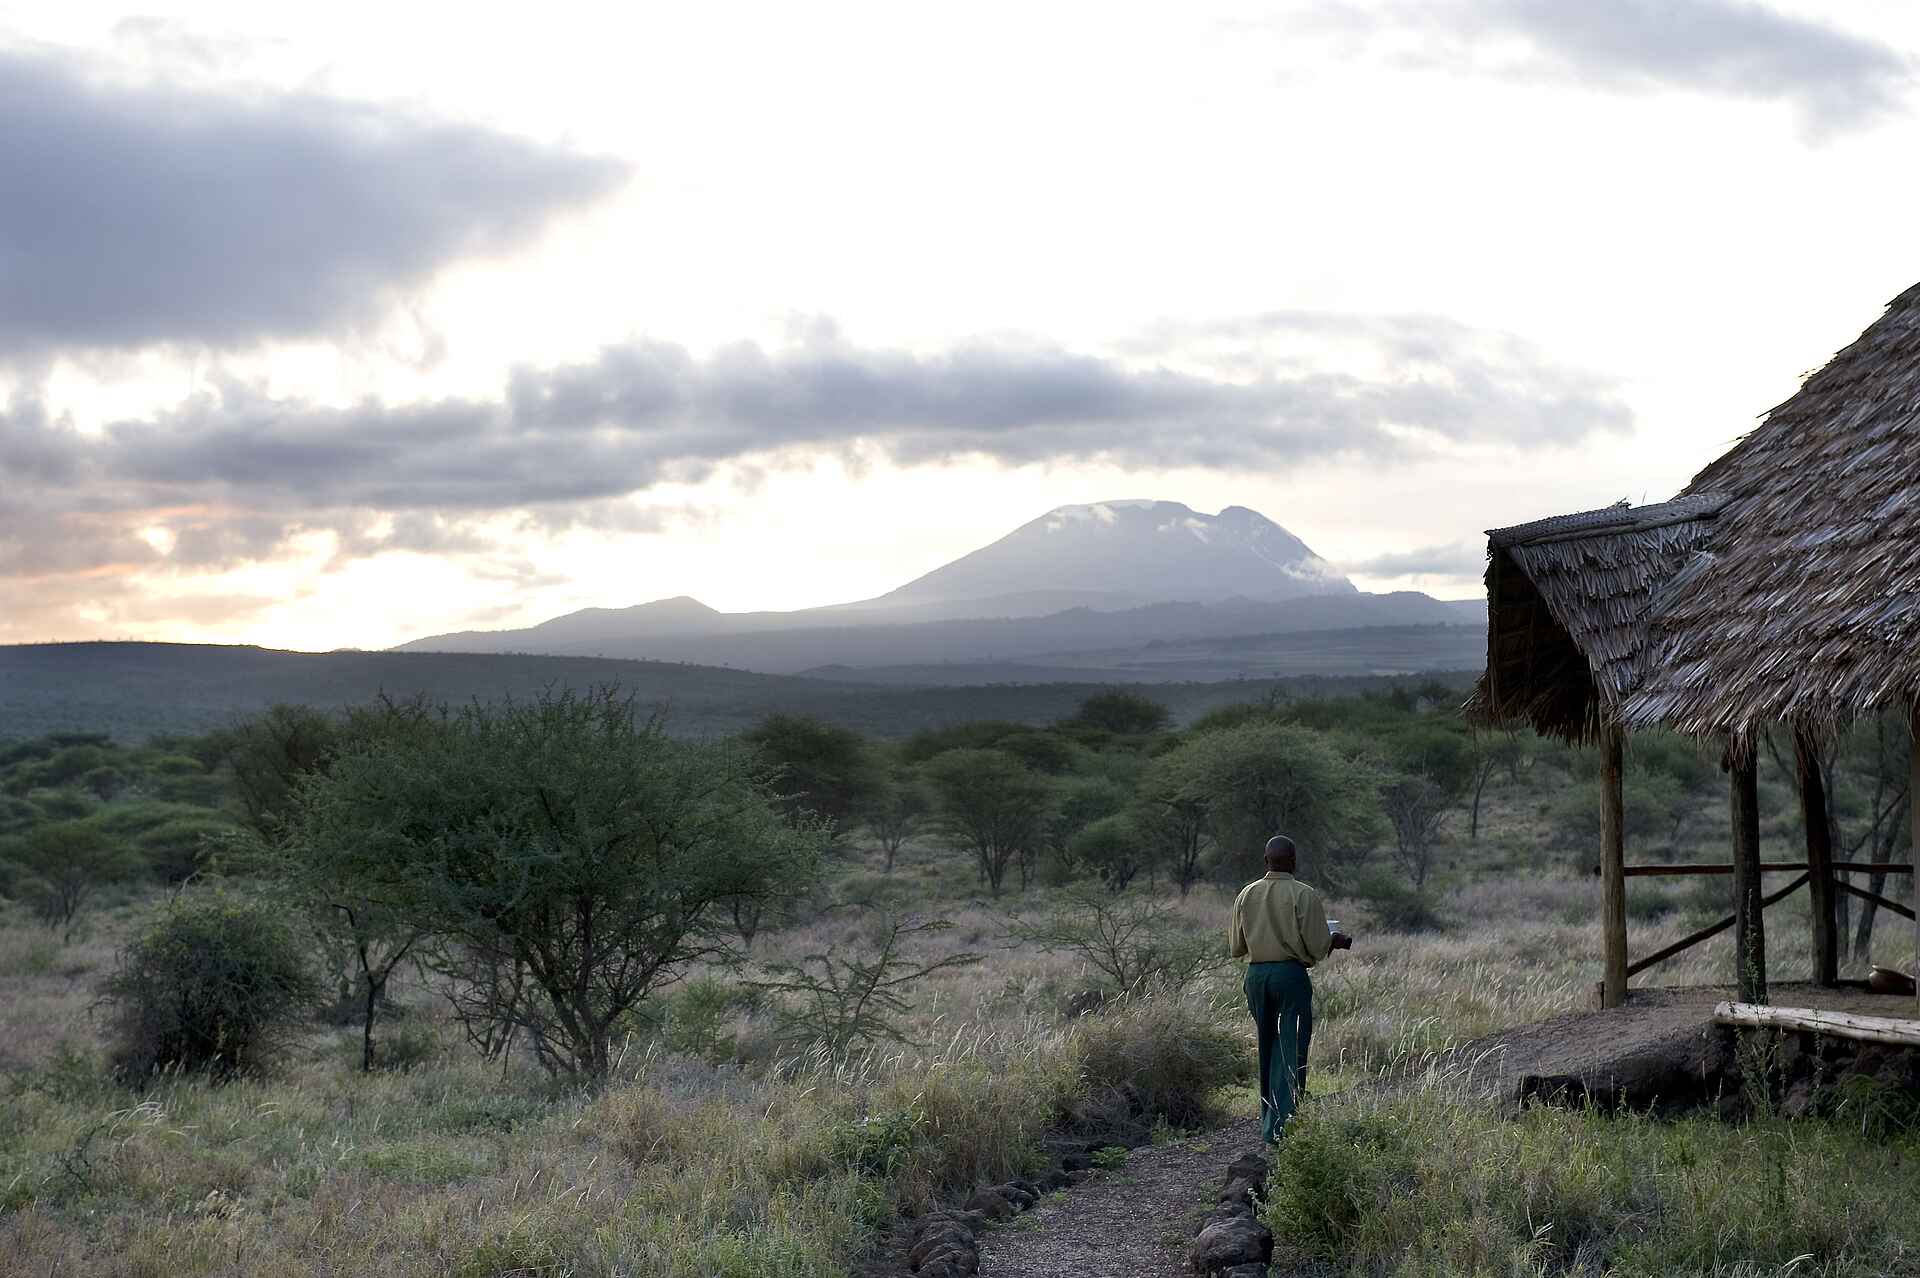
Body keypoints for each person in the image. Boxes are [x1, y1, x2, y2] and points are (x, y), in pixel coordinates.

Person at [1227, 834, 1352, 1144]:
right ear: (1294, 862)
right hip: (1289, 977)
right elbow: (1317, 946)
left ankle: (1269, 1121)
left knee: (1267, 1046)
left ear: (1265, 860)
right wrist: (1334, 941)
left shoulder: (1246, 894)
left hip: (1256, 977)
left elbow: (1236, 947)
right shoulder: (1303, 894)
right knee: (1291, 1048)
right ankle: (1284, 1127)